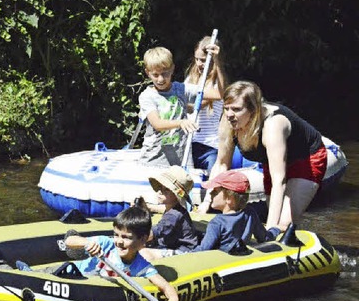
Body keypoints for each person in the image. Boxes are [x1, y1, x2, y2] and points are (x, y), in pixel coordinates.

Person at [198, 81, 327, 231]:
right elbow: (221, 164)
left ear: (254, 110)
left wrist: (271, 229)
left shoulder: (273, 125)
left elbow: (279, 180)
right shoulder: (228, 121)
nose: (230, 115)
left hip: (306, 159)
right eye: (226, 108)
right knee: (271, 213)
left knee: (283, 224)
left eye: (236, 109)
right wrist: (206, 202)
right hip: (270, 160)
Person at [62, 205, 179, 301]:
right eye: (116, 235)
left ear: (143, 239)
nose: (119, 241)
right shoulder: (105, 244)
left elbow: (165, 286)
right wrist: (86, 243)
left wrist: (173, 300)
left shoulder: (142, 266)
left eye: (126, 237)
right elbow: (69, 240)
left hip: (94, 294)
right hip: (72, 276)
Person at [138, 45, 221, 167]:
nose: (160, 79)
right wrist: (181, 122)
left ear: (172, 69)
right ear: (148, 73)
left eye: (165, 73)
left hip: (182, 161)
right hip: (154, 161)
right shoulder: (147, 96)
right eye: (155, 75)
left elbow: (219, 94)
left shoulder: (181, 89)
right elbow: (157, 124)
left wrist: (218, 62)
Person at [193, 170, 280, 253]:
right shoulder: (250, 214)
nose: (210, 193)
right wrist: (275, 230)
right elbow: (264, 237)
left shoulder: (216, 223)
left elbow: (203, 249)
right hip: (241, 256)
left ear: (229, 199)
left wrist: (187, 253)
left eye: (215, 191)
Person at [185, 36, 228, 172]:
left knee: (213, 177)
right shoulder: (190, 79)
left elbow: (221, 93)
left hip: (210, 145)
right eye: (196, 59)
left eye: (203, 60)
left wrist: (218, 61)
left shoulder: (217, 82)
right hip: (190, 142)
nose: (199, 64)